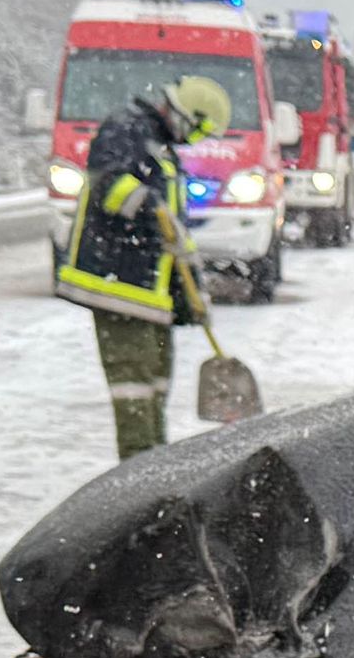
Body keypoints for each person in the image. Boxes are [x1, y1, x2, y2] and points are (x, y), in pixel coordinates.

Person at [52, 75, 225, 457]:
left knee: (156, 385)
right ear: (185, 114)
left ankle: (154, 466)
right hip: (117, 287)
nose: (193, 140)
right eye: (197, 131)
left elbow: (173, 237)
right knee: (133, 389)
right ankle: (137, 478)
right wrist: (150, 205)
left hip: (150, 296)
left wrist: (188, 298)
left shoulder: (162, 149)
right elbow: (107, 185)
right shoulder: (126, 129)